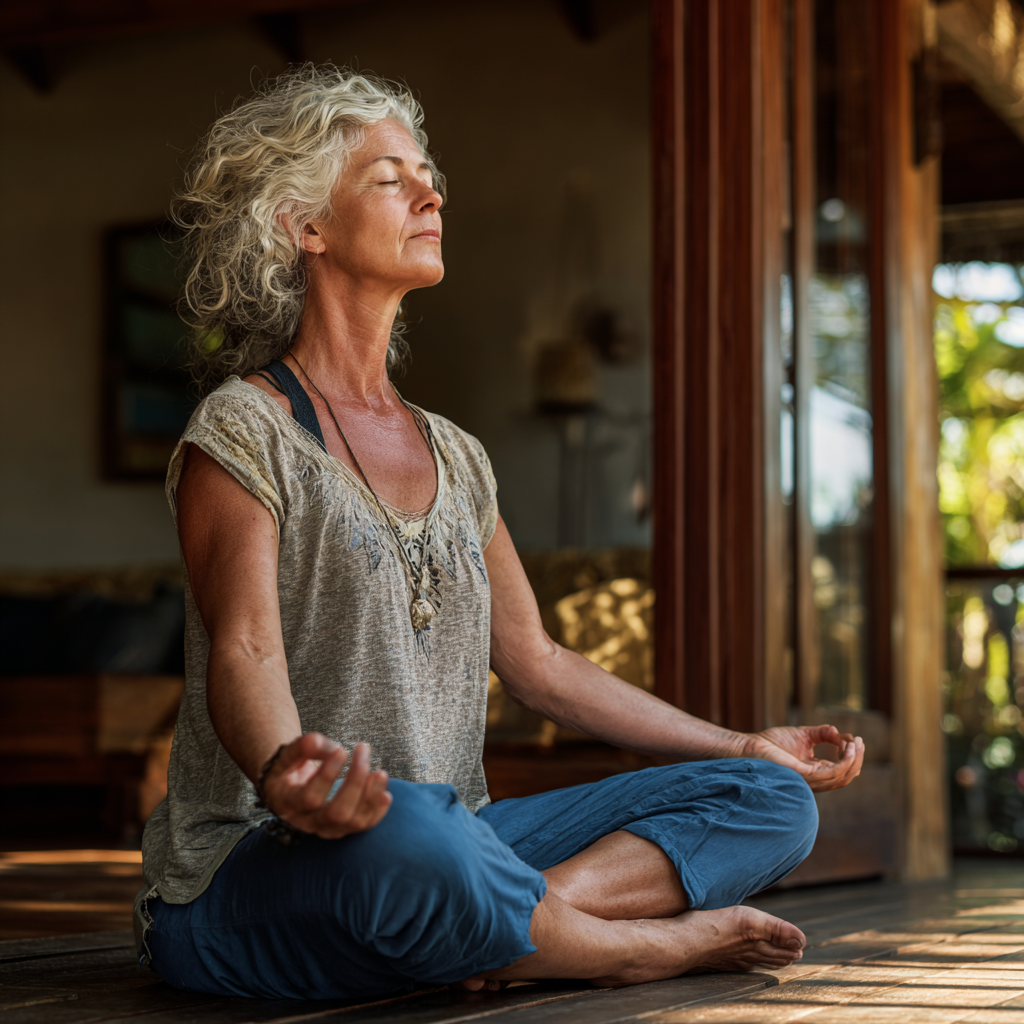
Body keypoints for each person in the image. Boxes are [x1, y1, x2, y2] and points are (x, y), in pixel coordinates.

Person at [135, 65, 864, 1001]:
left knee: (771, 801)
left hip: (456, 845)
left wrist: (741, 745)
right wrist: (285, 775)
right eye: (390, 178)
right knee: (411, 829)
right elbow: (244, 647)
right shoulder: (244, 429)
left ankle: (513, 925)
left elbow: (540, 664)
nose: (431, 194)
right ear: (304, 225)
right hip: (263, 866)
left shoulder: (458, 456)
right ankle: (624, 946)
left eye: (428, 175)